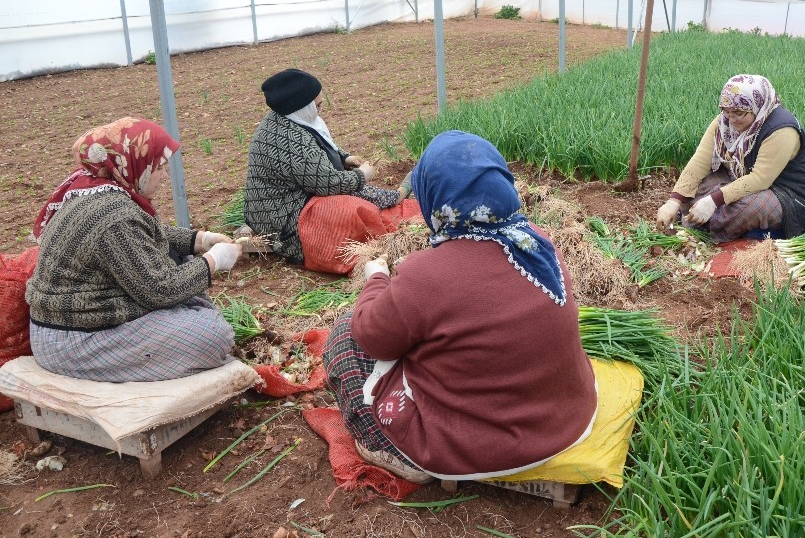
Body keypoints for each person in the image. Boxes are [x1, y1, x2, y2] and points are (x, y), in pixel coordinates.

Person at [323, 130, 598, 484]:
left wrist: (377, 278)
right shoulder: (537, 241)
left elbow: (373, 337)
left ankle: (394, 453)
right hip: (566, 420)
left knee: (345, 336)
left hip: (476, 449)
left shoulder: (426, 274)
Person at [25, 117, 242, 383]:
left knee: (178, 259)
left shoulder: (91, 187)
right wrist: (215, 259)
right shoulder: (113, 215)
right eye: (159, 167)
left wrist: (201, 239)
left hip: (67, 326)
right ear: (133, 164)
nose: (164, 176)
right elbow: (160, 290)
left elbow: (143, 236)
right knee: (214, 336)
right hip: (74, 341)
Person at [243, 68, 415, 268]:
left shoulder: (287, 119)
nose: (321, 107)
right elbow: (329, 184)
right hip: (280, 218)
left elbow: (319, 147)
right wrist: (362, 175)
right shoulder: (291, 140)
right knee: (348, 210)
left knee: (351, 197)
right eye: (317, 105)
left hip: (287, 198)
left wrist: (345, 158)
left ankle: (392, 197)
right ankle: (396, 197)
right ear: (301, 106)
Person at [656, 74, 805, 242]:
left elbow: (760, 179)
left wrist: (712, 201)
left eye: (739, 113)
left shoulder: (781, 130)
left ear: (757, 106)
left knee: (744, 209)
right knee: (696, 186)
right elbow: (700, 161)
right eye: (727, 112)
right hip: (743, 178)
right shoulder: (724, 122)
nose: (732, 120)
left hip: (787, 191)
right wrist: (674, 201)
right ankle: (701, 218)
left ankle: (703, 225)